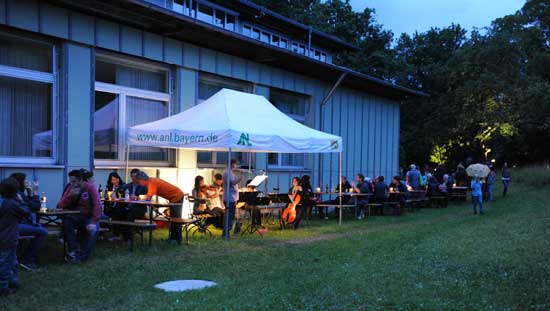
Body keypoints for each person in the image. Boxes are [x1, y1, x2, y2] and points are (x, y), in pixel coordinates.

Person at [58, 169, 102, 262]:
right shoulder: (71, 188)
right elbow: (61, 205)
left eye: (74, 181)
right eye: (71, 181)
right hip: (76, 216)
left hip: (89, 216)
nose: (72, 184)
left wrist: (94, 221)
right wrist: (69, 196)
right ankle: (73, 250)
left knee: (93, 230)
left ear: (81, 180)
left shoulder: (90, 188)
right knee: (67, 222)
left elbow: (97, 205)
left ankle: (82, 256)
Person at [9, 173, 48, 271]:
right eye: (25, 180)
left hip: (14, 224)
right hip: (14, 226)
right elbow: (35, 206)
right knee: (42, 231)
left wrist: (30, 193)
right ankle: (27, 259)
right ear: (20, 182)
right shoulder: (18, 195)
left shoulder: (17, 193)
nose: (28, 182)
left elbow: (29, 205)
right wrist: (35, 193)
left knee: (38, 227)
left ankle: (28, 258)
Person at [135, 171, 184, 244]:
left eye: (139, 182)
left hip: (177, 196)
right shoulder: (151, 180)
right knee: (173, 218)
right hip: (174, 197)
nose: (140, 184)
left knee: (175, 219)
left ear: (142, 180)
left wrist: (138, 198)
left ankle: (176, 239)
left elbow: (148, 198)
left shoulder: (152, 183)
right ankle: (173, 238)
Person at [0, 178, 29, 295]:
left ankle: (13, 281)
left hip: (4, 237)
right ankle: (3, 286)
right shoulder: (12, 204)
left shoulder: (2, 202)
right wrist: (21, 201)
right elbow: (26, 212)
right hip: (8, 238)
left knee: (12, 260)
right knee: (6, 262)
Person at [223, 159, 244, 237]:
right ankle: (226, 233)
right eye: (235, 164)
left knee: (231, 216)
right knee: (229, 217)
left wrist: (239, 176)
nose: (236, 166)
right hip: (229, 198)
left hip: (232, 198)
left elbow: (235, 180)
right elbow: (233, 182)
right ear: (232, 164)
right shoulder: (227, 173)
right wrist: (241, 176)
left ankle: (227, 233)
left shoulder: (230, 173)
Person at [103, 172, 126, 242]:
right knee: (102, 213)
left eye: (114, 179)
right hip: (111, 206)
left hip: (120, 206)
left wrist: (116, 195)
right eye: (111, 180)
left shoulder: (123, 186)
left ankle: (116, 235)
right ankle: (102, 233)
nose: (113, 181)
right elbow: (106, 197)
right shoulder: (110, 187)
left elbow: (123, 198)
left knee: (116, 214)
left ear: (118, 179)